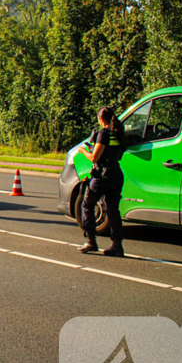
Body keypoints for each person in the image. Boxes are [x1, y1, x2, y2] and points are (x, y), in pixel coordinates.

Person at [78, 106, 127, 257]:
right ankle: (117, 245)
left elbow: (95, 157)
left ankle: (91, 241)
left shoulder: (104, 134)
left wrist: (84, 150)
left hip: (102, 175)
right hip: (116, 173)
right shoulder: (118, 133)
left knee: (87, 204)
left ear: (100, 119)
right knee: (113, 210)